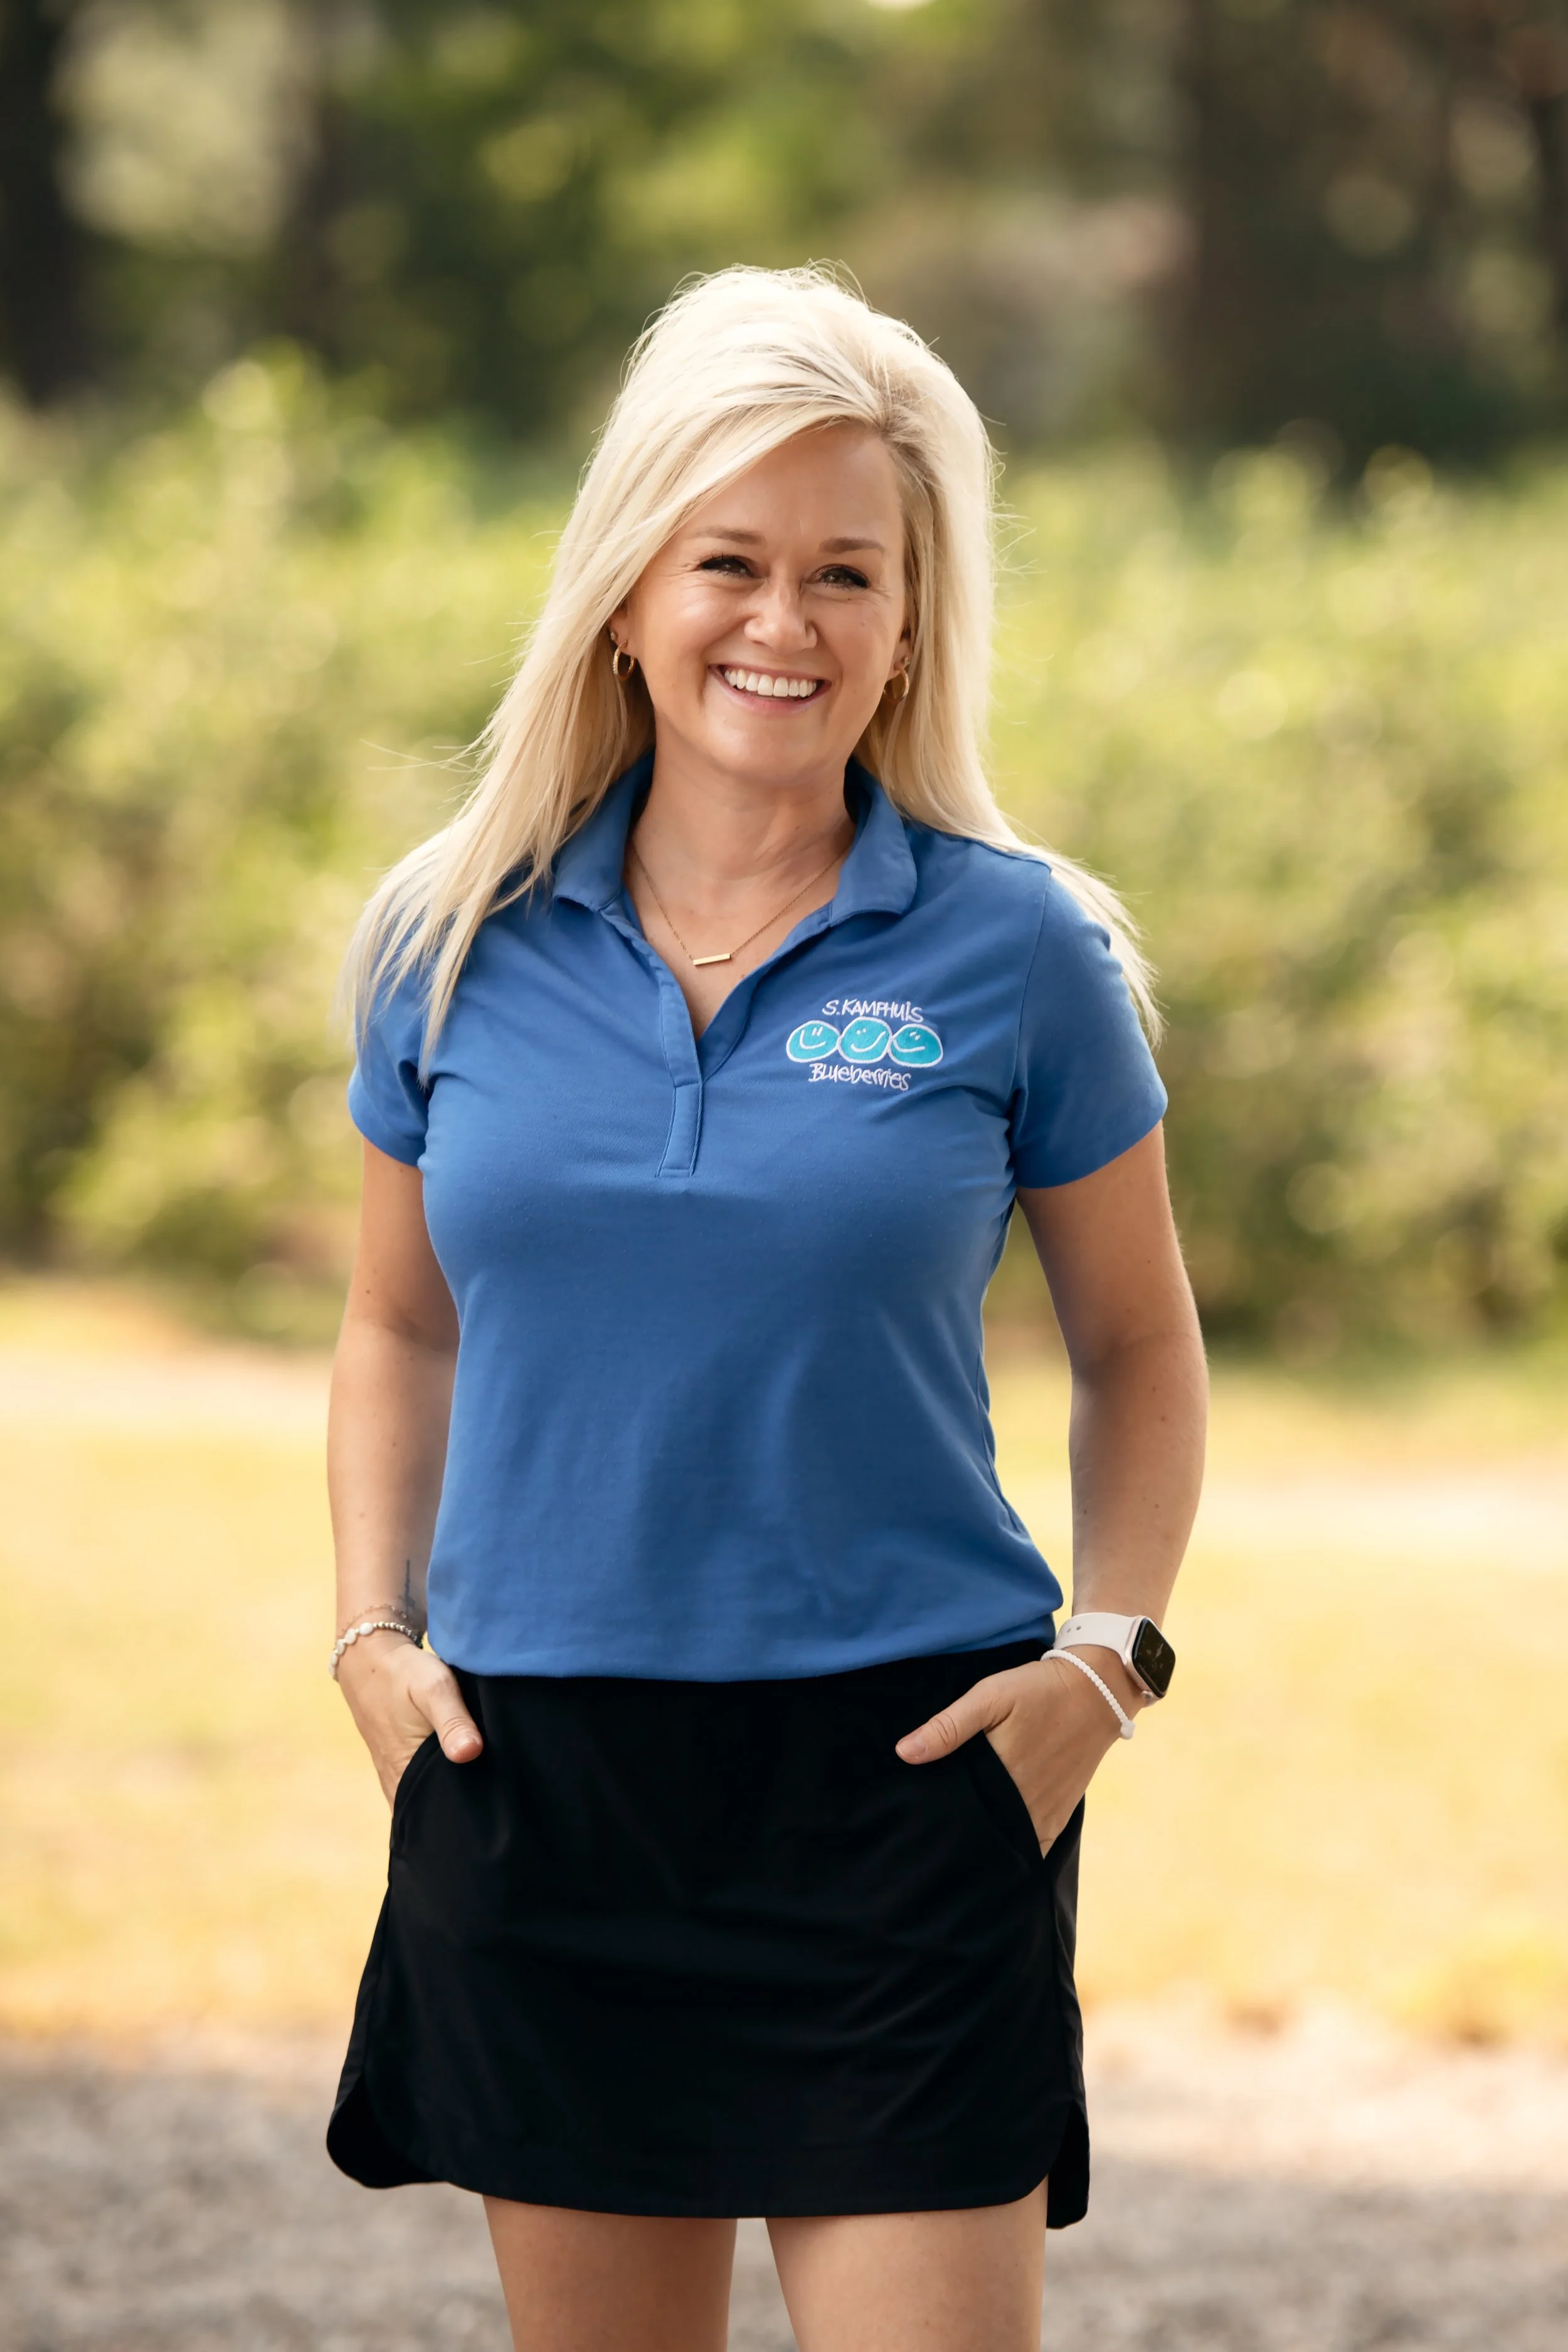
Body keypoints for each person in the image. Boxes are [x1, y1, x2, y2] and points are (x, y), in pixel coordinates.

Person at [324, 265, 1207, 2352]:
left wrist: (1108, 1658)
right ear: (629, 586)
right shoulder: (448, 940)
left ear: (911, 620)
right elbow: (399, 1324)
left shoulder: (1021, 952)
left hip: (907, 1776)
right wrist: (371, 1634)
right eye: (729, 558)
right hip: (546, 1777)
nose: (781, 625)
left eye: (846, 573)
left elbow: (1139, 1346)